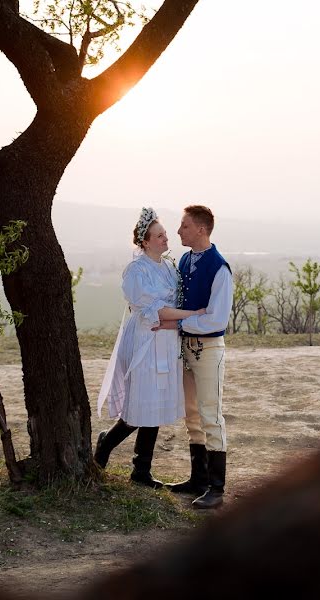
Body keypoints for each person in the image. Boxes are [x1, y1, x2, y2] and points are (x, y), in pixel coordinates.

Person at [95, 207, 206, 487]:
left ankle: (141, 471)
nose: (165, 239)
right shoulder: (136, 271)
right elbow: (151, 312)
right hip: (145, 341)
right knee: (139, 405)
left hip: (165, 341)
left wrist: (175, 319)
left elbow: (172, 308)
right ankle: (105, 446)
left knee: (154, 407)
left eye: (165, 234)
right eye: (159, 236)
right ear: (144, 242)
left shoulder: (170, 267)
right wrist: (190, 316)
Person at [158, 205, 234, 509]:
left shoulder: (220, 268)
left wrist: (178, 322)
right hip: (186, 348)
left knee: (210, 414)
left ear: (201, 229)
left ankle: (217, 488)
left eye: (184, 226)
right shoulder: (187, 260)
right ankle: (197, 479)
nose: (178, 232)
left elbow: (217, 320)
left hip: (208, 349)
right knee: (191, 414)